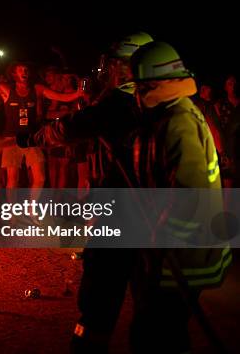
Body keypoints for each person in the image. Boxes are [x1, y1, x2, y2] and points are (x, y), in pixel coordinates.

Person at [19, 32, 154, 353]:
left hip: (122, 207)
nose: (111, 70)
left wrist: (34, 137)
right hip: (154, 211)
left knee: (100, 294)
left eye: (118, 64)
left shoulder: (120, 101)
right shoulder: (161, 103)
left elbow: (72, 126)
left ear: (132, 66)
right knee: (149, 298)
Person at [126, 41, 230, 353]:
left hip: (181, 259)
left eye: (140, 85)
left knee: (153, 336)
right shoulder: (170, 113)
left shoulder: (177, 122)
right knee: (166, 334)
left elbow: (189, 197)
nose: (135, 93)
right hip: (178, 255)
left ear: (153, 83)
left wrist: (157, 248)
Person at [0, 61, 80, 200]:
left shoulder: (37, 89)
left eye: (25, 69)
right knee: (12, 179)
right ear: (14, 73)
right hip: (11, 139)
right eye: (20, 70)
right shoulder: (6, 89)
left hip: (31, 139)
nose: (24, 72)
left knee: (40, 178)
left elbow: (62, 97)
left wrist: (79, 92)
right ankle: (12, 212)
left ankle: (31, 208)